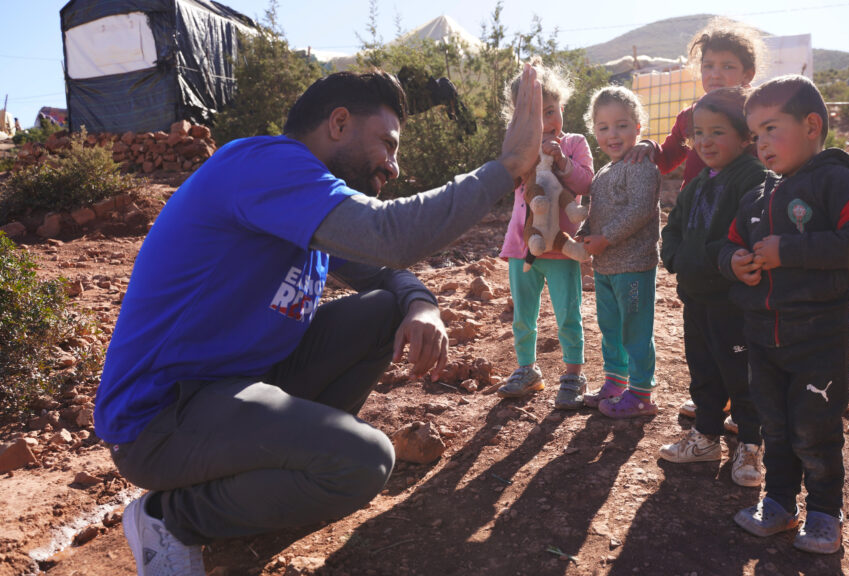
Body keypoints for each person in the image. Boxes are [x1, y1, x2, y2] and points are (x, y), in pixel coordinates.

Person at [95, 67, 546, 575]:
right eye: (387, 143)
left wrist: (421, 303)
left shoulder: (304, 199)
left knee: (382, 308)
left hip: (234, 392)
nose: (393, 166)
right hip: (161, 419)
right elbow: (389, 235)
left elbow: (383, 269)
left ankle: (275, 477)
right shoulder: (263, 165)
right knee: (364, 461)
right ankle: (169, 517)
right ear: (337, 123)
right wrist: (505, 166)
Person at [721, 75, 849, 554]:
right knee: (776, 425)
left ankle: (825, 513)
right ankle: (779, 503)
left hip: (820, 339)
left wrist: (788, 251)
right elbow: (732, 243)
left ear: (812, 125)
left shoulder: (837, 180)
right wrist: (735, 262)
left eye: (771, 128)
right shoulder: (756, 196)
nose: (762, 143)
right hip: (763, 337)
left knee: (815, 429)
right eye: (755, 135)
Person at [624, 18, 764, 423]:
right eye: (708, 66)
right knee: (701, 321)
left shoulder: (755, 113)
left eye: (727, 66)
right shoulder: (692, 116)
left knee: (736, 321)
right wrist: (649, 146)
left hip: (739, 227)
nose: (715, 74)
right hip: (698, 225)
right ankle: (714, 398)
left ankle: (746, 405)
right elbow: (668, 157)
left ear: (748, 74)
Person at [657, 87, 766, 487]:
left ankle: (751, 446)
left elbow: (746, 239)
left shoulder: (753, 179)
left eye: (717, 132)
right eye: (698, 133)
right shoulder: (698, 181)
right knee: (703, 371)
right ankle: (705, 438)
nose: (704, 141)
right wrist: (672, 257)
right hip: (696, 298)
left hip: (733, 303)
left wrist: (698, 258)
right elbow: (674, 227)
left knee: (742, 376)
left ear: (744, 136)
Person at [496, 63, 595, 409]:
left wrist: (562, 163)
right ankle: (527, 369)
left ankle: (573, 374)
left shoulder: (575, 143)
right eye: (538, 115)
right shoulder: (521, 149)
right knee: (523, 313)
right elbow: (507, 181)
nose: (548, 121)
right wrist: (522, 150)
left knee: (568, 312)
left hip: (562, 247)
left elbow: (586, 183)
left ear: (563, 109)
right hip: (522, 245)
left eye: (552, 111)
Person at [577, 86, 661, 418]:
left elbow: (640, 210)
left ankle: (641, 392)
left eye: (622, 125)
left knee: (635, 329)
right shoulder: (603, 172)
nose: (613, 134)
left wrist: (606, 238)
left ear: (638, 127)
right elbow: (598, 212)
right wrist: (586, 232)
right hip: (606, 267)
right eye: (604, 127)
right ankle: (615, 381)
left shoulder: (641, 165)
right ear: (594, 130)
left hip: (633, 265)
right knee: (611, 328)